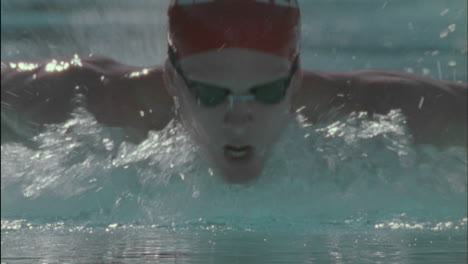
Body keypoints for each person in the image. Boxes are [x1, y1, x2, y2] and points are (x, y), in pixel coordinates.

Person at [1, 0, 467, 183]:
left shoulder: (387, 112)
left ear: (295, 81)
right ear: (171, 80)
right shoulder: (82, 103)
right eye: (210, 93)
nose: (238, 117)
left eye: (264, 93)